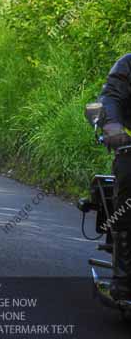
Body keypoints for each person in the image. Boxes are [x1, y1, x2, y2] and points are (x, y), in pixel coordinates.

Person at [98, 53, 131, 300]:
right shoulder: (127, 64)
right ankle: (124, 276)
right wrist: (113, 127)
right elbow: (111, 98)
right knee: (128, 178)